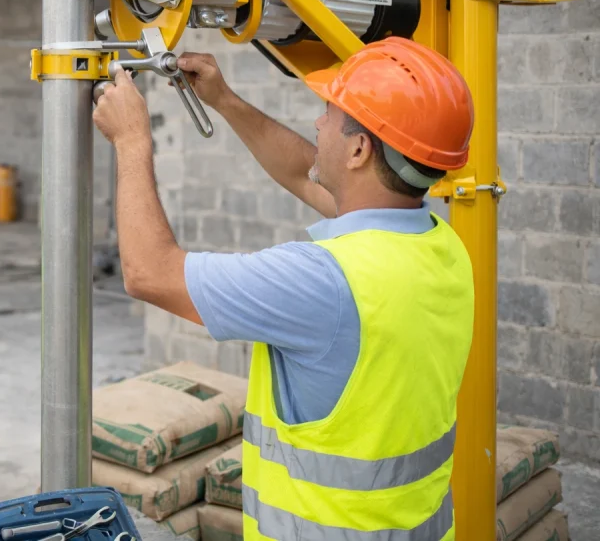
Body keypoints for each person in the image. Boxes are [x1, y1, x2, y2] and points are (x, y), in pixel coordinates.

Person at [91, 36, 476, 540]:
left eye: (330, 114)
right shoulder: (441, 246)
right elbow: (303, 173)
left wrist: (132, 140)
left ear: (359, 149)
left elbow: (149, 273)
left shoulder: (324, 281)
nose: (318, 123)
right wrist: (224, 100)